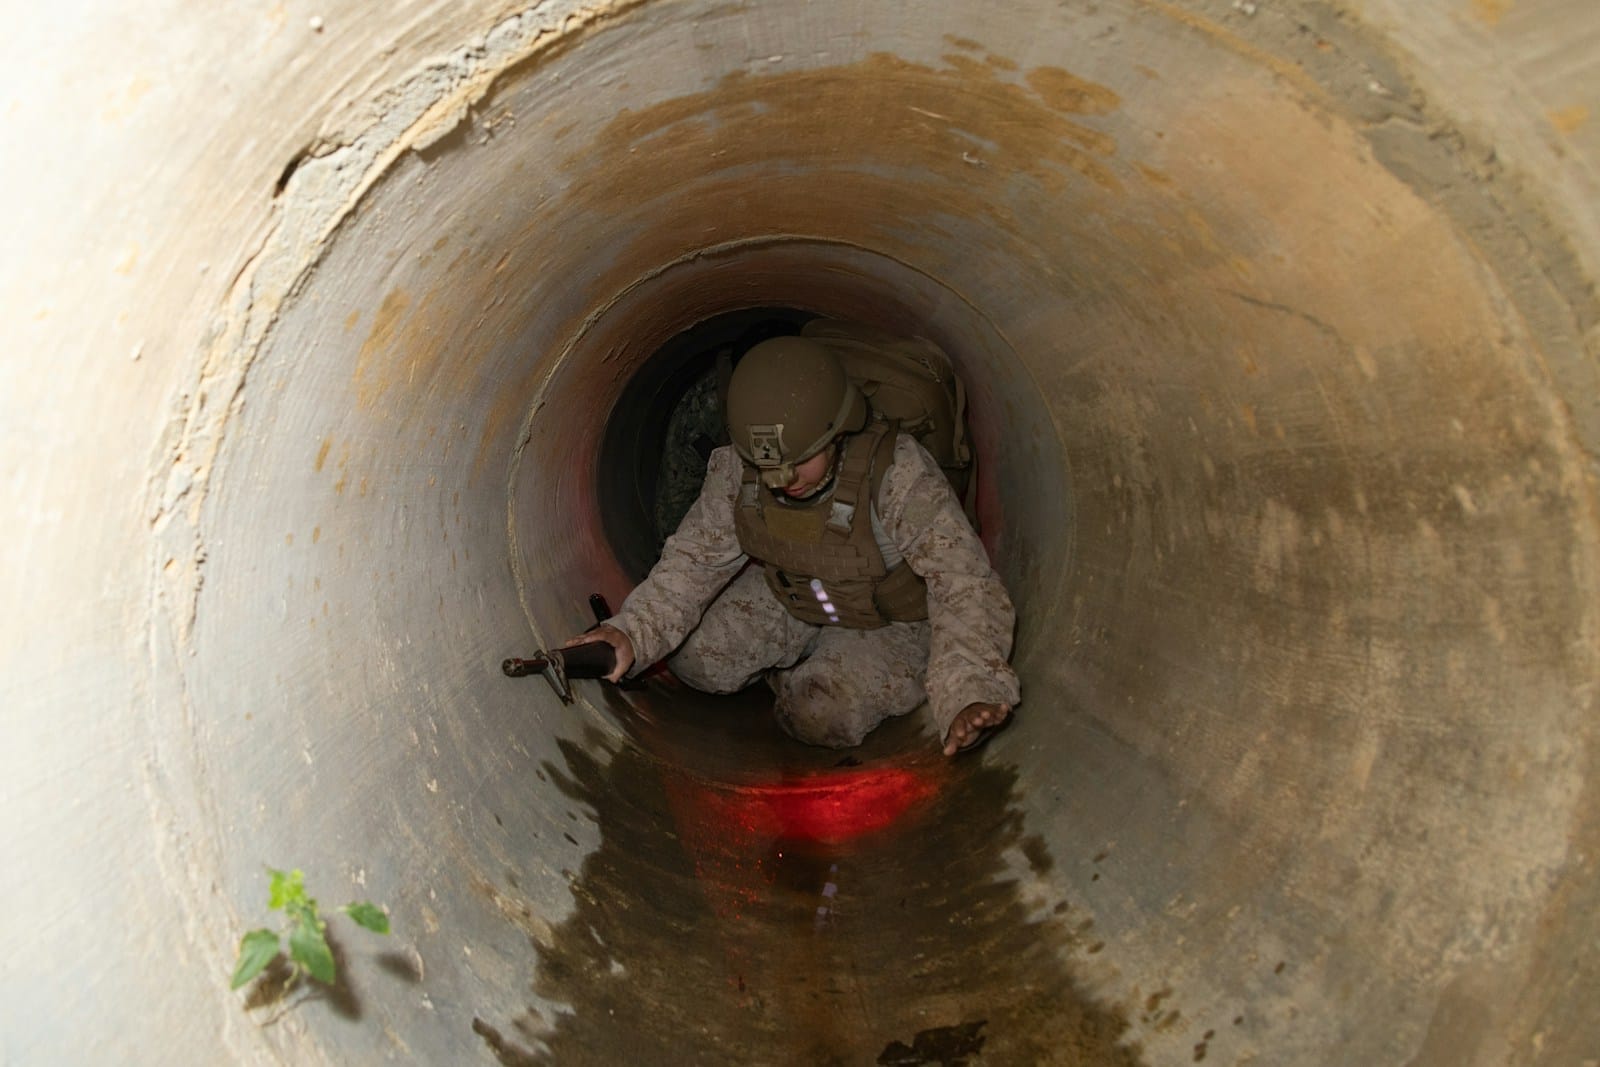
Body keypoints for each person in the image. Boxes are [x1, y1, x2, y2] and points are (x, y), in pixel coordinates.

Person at [565, 331, 1019, 756]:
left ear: (837, 430)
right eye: (766, 467)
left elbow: (962, 585)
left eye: (799, 461)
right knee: (694, 660)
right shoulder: (737, 471)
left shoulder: (897, 473)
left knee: (816, 714)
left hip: (892, 623)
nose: (781, 481)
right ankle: (808, 660)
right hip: (801, 595)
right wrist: (628, 635)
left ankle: (833, 672)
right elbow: (692, 564)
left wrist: (969, 691)